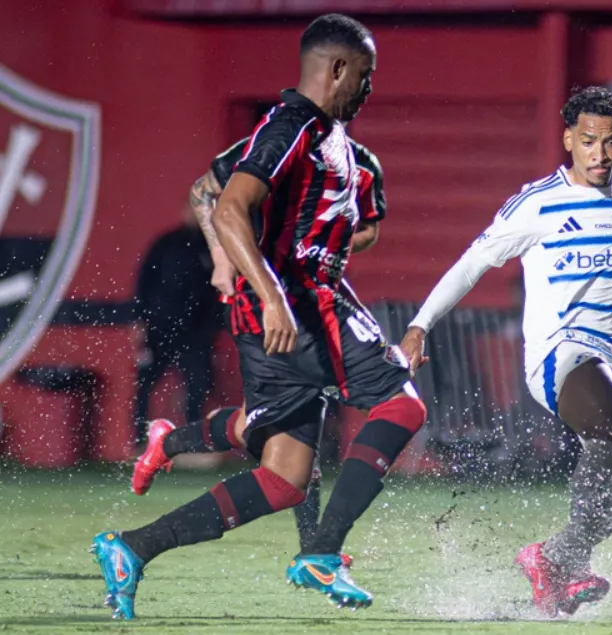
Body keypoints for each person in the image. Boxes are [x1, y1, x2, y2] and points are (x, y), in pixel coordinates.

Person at [91, 14, 427, 620]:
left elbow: (356, 226)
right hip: (297, 306)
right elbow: (220, 203)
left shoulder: (339, 145)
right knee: (401, 404)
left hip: (305, 300)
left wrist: (321, 245)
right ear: (339, 69)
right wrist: (258, 283)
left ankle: (133, 548)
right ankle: (321, 552)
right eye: (366, 77)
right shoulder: (291, 125)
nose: (370, 90)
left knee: (286, 476)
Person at [400, 86, 612, 617]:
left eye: (611, 143)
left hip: (610, 358)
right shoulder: (537, 202)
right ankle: (573, 563)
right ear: (569, 140)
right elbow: (473, 263)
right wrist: (421, 326)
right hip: (556, 355)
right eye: (588, 141)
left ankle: (554, 555)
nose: (599, 154)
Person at [130, 129, 388, 569]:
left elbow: (369, 231)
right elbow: (203, 192)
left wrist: (332, 241)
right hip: (264, 305)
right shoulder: (275, 145)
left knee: (274, 425)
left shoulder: (356, 163)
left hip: (307, 304)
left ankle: (168, 442)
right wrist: (223, 257)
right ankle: (314, 550)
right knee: (291, 429)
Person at [132, 208, 219, 444]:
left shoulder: (212, 245)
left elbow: (216, 290)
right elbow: (144, 282)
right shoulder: (166, 243)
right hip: (160, 325)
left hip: (196, 330)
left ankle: (194, 440)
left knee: (197, 384)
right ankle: (139, 441)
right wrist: (140, 321)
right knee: (144, 383)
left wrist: (213, 323)